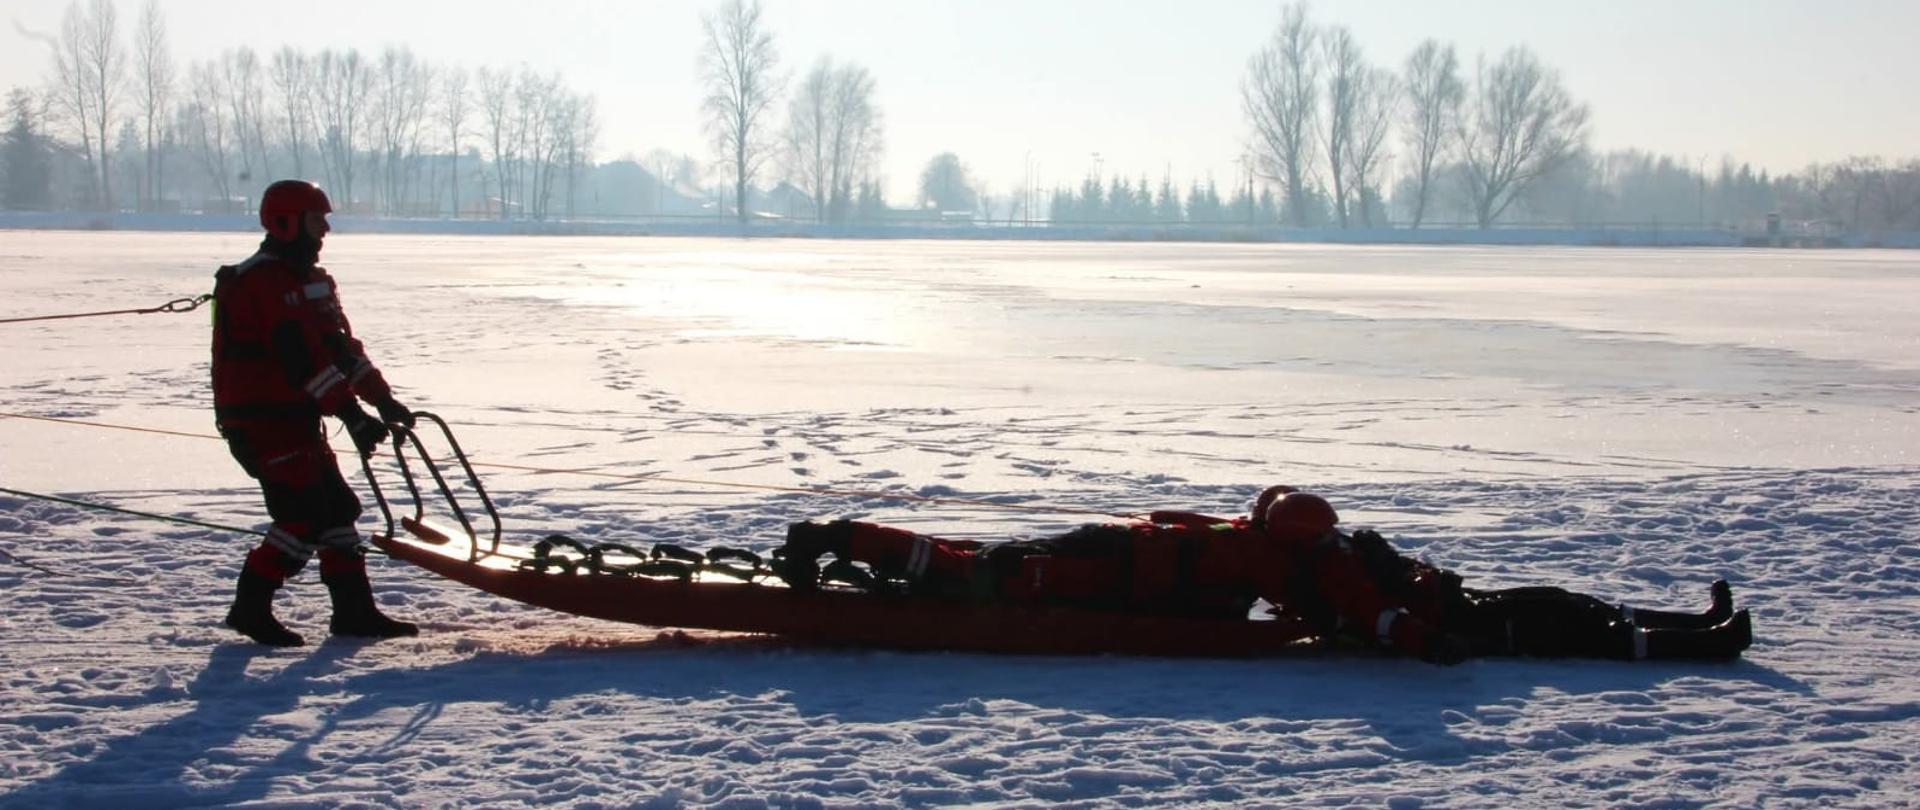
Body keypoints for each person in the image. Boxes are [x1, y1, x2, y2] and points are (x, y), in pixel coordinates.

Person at [774, 486, 1752, 664]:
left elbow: (1365, 616)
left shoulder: (1284, 549)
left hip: (1115, 560)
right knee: (980, 574)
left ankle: (1673, 632)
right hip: (1116, 567)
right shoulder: (1308, 553)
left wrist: (1420, 636)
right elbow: (1371, 619)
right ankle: (1668, 632)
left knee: (979, 569)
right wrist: (1427, 640)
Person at [210, 179, 418, 647]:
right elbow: (301, 362)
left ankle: (353, 612)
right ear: (286, 222)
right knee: (302, 516)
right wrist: (352, 416)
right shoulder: (260, 283)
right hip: (262, 423)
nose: (324, 228)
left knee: (339, 511)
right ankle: (250, 606)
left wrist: (382, 400)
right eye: (316, 219)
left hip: (298, 420)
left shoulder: (311, 282)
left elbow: (341, 350)